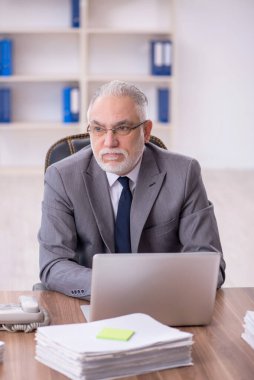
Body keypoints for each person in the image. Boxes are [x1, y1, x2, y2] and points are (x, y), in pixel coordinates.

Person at [38, 80, 226, 299]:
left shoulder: (184, 173)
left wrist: (151, 289)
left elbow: (210, 264)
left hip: (162, 301)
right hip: (90, 300)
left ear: (146, 131)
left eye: (123, 128)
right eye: (98, 129)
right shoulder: (62, 177)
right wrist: (119, 288)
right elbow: (53, 264)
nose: (109, 142)